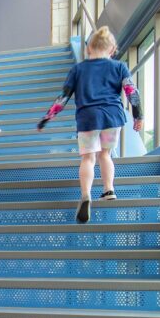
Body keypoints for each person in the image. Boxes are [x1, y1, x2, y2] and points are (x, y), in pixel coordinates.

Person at [37, 26, 143, 224]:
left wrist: (46, 118)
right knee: (105, 154)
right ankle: (108, 189)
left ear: (88, 49)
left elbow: (63, 97)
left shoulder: (78, 69)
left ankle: (86, 195)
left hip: (87, 118)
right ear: (112, 50)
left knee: (88, 158)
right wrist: (139, 115)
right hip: (112, 117)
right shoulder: (119, 67)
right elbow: (131, 91)